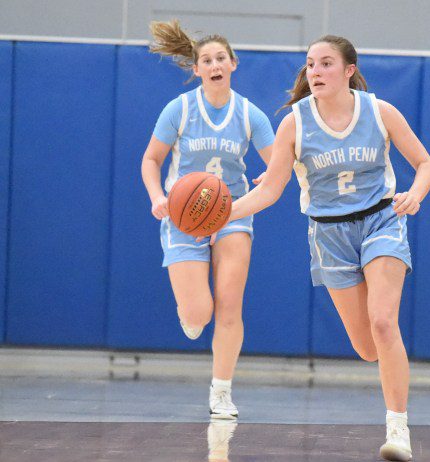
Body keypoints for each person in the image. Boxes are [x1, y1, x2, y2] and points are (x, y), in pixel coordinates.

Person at [228, 35, 430, 461]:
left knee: (383, 322)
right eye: (310, 64)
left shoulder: (379, 111)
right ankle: (393, 369)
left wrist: (415, 194)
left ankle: (398, 429)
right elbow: (269, 191)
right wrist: (223, 214)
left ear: (348, 71)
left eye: (325, 63)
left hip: (382, 220)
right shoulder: (295, 123)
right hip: (328, 234)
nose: (316, 72)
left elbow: (426, 164)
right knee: (366, 348)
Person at [141, 20, 274, 420]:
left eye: (221, 58)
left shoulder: (251, 114)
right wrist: (158, 196)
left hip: (231, 211)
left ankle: (221, 391)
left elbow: (280, 166)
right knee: (199, 314)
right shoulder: (179, 109)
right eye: (206, 59)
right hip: (184, 215)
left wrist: (272, 173)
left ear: (233, 64)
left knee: (230, 306)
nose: (214, 64)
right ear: (196, 69)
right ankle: (191, 313)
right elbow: (150, 160)